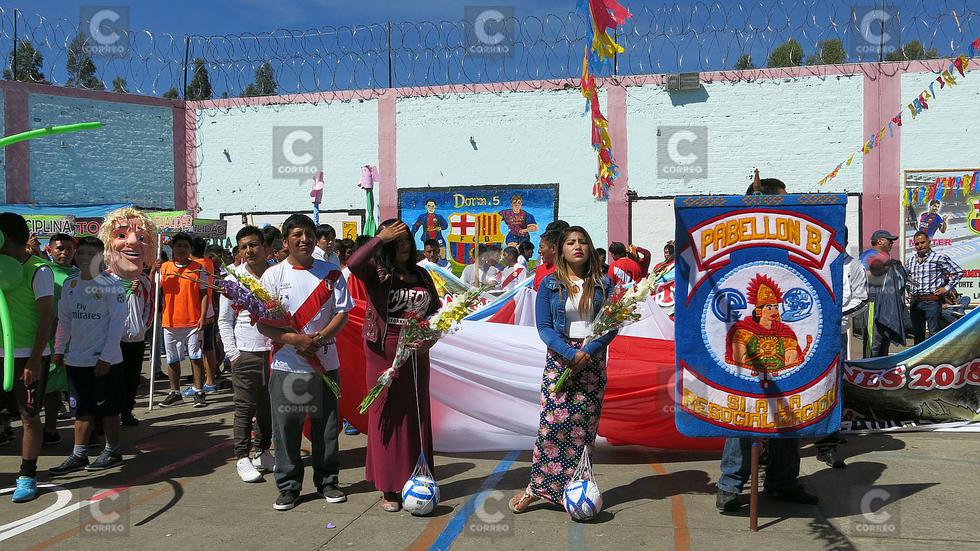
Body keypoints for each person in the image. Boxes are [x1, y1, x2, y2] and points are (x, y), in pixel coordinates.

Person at [718, 173, 816, 513]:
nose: (775, 310)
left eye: (777, 305)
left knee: (788, 421)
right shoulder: (744, 329)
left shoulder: (786, 330)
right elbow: (739, 356)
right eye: (782, 199)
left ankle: (783, 481)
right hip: (748, 379)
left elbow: (791, 356)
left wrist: (790, 360)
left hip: (782, 380)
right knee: (742, 424)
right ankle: (730, 486)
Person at [509, 226, 616, 514]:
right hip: (560, 361)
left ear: (590, 248)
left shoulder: (604, 283)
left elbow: (612, 325)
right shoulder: (549, 284)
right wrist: (570, 353)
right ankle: (537, 488)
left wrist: (588, 352)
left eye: (582, 241)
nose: (577, 246)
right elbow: (544, 327)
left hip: (592, 362)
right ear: (561, 250)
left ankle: (579, 489)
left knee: (583, 431)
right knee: (551, 428)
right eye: (570, 242)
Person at [258, 214, 353, 511]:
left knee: (326, 428)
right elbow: (263, 324)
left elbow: (342, 313)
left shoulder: (331, 273)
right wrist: (295, 340)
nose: (304, 240)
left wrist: (319, 339)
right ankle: (288, 486)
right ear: (285, 241)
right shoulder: (272, 276)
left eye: (309, 234)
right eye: (297, 234)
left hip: (325, 364)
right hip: (288, 366)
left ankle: (328, 481)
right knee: (287, 429)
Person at [347, 219, 440, 512]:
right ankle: (388, 486)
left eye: (406, 239)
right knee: (386, 413)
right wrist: (380, 238)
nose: (403, 245)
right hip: (384, 349)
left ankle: (418, 476)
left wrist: (430, 339)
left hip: (416, 349)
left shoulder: (422, 274)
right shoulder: (377, 273)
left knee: (415, 412)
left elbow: (437, 312)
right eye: (395, 241)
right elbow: (353, 262)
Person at [49, 237, 128, 475]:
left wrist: (105, 357)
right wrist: (60, 349)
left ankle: (112, 451)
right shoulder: (71, 284)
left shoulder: (112, 285)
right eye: (81, 252)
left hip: (104, 360)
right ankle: (79, 454)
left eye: (91, 254)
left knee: (108, 410)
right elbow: (65, 319)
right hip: (76, 359)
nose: (85, 258)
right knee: (80, 410)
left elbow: (117, 323)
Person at [0, 212, 55, 503]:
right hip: (1, 354)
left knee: (29, 416)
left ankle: (27, 474)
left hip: (26, 355)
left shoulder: (39, 270)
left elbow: (46, 317)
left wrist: (34, 360)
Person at [218, 226, 275, 482]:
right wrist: (233, 354)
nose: (249, 251)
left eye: (253, 245)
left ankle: (262, 451)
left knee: (268, 406)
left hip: (274, 352)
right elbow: (224, 320)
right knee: (245, 407)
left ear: (264, 247)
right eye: (243, 247)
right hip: (245, 351)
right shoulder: (232, 278)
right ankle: (242, 456)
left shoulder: (276, 273)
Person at [814, 227, 868, 469]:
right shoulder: (815, 263)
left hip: (834, 335)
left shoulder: (853, 266)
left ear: (845, 241)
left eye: (840, 239)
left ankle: (827, 443)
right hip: (807, 333)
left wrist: (835, 315)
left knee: (831, 386)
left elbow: (861, 299)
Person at [99, 208, 157, 427]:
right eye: (121, 235)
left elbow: (150, 308)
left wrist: (143, 327)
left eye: (141, 238)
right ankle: (109, 412)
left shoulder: (145, 281)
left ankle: (127, 410)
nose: (132, 242)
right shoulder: (104, 280)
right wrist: (125, 292)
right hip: (112, 339)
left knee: (132, 376)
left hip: (136, 338)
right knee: (113, 377)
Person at [158, 233, 209, 408]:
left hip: (193, 322)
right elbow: (154, 289)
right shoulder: (164, 267)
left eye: (185, 246)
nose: (182, 249)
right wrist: (153, 271)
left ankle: (199, 391)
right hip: (170, 322)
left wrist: (203, 316)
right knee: (172, 359)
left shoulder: (198, 268)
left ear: (190, 249)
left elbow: (204, 294)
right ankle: (175, 393)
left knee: (196, 357)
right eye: (178, 245)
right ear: (173, 248)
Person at [43, 233, 78, 444]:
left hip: (79, 342)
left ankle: (87, 431)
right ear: (50, 250)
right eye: (59, 248)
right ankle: (50, 430)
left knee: (79, 388)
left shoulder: (81, 275)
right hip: (51, 341)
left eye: (68, 249)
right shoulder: (43, 272)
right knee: (52, 389)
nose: (64, 253)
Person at [905, 230, 963, 344]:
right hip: (915, 302)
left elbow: (958, 272)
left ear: (929, 241)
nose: (920, 246)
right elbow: (907, 277)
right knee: (918, 334)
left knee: (934, 333)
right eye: (917, 244)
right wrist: (911, 289)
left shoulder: (939, 257)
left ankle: (934, 356)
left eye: (922, 242)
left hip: (932, 301)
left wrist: (946, 288)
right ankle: (919, 355)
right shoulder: (911, 260)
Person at [859, 230, 907, 357]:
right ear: (879, 241)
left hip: (886, 305)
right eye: (889, 240)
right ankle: (868, 367)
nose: (892, 243)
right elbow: (865, 278)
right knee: (872, 344)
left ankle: (880, 368)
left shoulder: (885, 258)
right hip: (872, 304)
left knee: (884, 342)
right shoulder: (868, 256)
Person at [190, 237, 219, 394]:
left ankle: (201, 384)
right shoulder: (209, 262)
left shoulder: (195, 265)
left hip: (199, 311)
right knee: (208, 347)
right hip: (209, 309)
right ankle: (210, 381)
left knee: (198, 350)